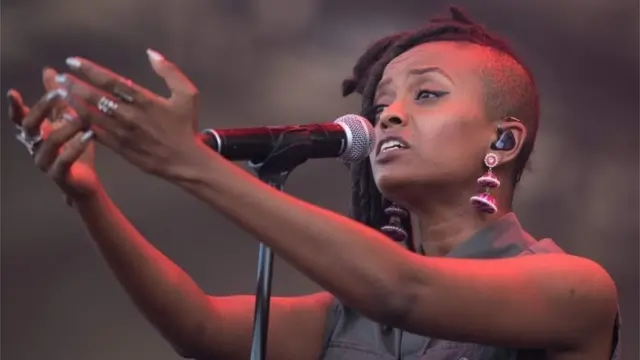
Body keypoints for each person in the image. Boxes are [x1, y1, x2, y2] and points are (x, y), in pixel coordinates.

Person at [8, 7, 620, 360]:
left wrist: (189, 163)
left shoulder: (574, 288)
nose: (390, 116)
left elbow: (403, 290)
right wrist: (88, 196)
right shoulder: (348, 316)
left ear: (504, 141)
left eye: (426, 95)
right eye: (382, 105)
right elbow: (199, 327)